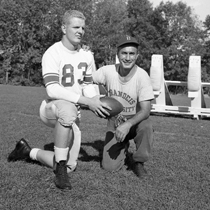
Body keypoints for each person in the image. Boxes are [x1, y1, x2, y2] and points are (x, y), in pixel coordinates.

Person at [7, 10, 111, 190]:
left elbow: (87, 85)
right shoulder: (52, 52)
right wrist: (86, 101)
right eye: (76, 27)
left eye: (83, 28)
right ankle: (60, 171)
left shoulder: (87, 55)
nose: (80, 31)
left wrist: (96, 100)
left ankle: (26, 151)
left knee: (72, 165)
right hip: (50, 109)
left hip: (72, 113)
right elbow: (53, 89)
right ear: (64, 28)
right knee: (68, 109)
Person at [92, 35, 154, 178]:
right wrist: (92, 99)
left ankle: (139, 162)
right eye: (124, 53)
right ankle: (123, 145)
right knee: (109, 168)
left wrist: (127, 125)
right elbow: (85, 81)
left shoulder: (142, 76)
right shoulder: (107, 71)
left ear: (137, 56)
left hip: (136, 121)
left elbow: (146, 111)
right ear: (118, 54)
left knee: (147, 126)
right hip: (115, 121)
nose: (127, 57)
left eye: (131, 53)